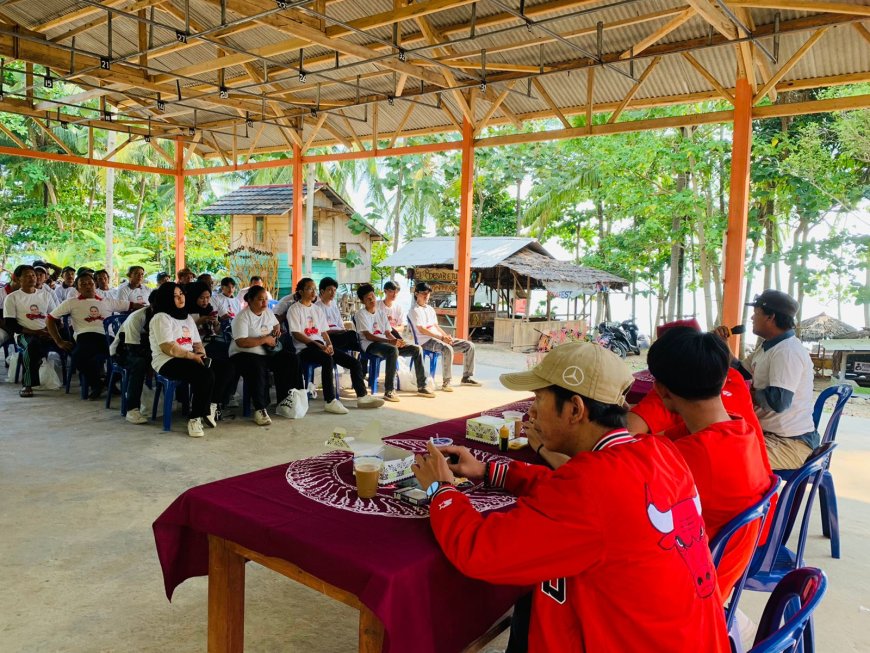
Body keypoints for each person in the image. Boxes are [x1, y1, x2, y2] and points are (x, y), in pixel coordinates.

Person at [411, 342, 729, 652]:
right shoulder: (657, 452)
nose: (530, 412)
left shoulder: (592, 485)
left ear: (575, 409)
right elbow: (572, 495)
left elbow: (480, 551)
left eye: (538, 399)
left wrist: (441, 489)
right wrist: (488, 470)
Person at [646, 326, 772, 596]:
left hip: (695, 591)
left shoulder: (687, 457)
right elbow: (656, 442)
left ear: (661, 390)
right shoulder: (740, 431)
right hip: (724, 573)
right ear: (725, 377)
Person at [718, 290, 816, 470]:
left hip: (790, 443)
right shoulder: (768, 347)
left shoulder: (786, 352)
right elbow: (742, 373)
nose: (752, 319)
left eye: (756, 314)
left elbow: (778, 401)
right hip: (769, 434)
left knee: (725, 460)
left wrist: (740, 392)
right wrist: (723, 346)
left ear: (771, 317)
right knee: (714, 446)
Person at [287, 277, 382, 414]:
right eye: (309, 288)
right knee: (327, 359)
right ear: (301, 292)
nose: (313, 291)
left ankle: (362, 397)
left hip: (321, 346)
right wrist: (319, 345)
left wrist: (329, 345)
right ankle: (330, 401)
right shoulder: (294, 309)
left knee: (354, 363)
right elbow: (296, 334)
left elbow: (324, 332)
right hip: (305, 348)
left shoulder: (316, 310)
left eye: (314, 288)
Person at [46, 272, 140, 400]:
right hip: (85, 336)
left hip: (106, 337)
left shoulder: (107, 301)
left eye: (90, 283)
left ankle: (108, 382)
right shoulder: (71, 302)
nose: (88, 286)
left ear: (95, 284)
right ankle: (97, 385)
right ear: (77, 288)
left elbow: (133, 305)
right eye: (83, 284)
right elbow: (50, 318)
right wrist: (59, 341)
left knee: (130, 356)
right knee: (78, 356)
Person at [148, 282, 219, 438]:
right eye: (175, 296)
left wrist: (201, 354)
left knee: (223, 367)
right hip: (167, 361)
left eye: (181, 294)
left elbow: (197, 342)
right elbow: (168, 347)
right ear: (166, 298)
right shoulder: (161, 317)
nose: (180, 298)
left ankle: (208, 407)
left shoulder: (186, 317)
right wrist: (193, 356)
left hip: (188, 356)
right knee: (203, 374)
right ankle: (195, 418)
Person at [230, 285, 302, 425]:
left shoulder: (268, 312)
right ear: (250, 300)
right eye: (260, 300)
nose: (264, 303)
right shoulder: (242, 317)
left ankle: (286, 400)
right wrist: (264, 339)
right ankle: (260, 408)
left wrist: (276, 332)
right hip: (243, 354)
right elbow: (241, 342)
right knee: (257, 367)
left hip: (266, 352)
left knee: (291, 359)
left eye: (265, 300)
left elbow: (276, 324)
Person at [354, 283, 435, 402]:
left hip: (385, 343)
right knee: (392, 350)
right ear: (362, 301)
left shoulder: (381, 313)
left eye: (373, 296)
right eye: (368, 298)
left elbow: (388, 332)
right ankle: (389, 390)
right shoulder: (360, 314)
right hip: (370, 345)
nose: (372, 300)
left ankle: (422, 386)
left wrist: (396, 341)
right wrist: (390, 342)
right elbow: (368, 336)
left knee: (417, 349)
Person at [408, 281, 480, 391]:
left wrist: (446, 337)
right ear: (417, 294)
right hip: (425, 341)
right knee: (447, 349)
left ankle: (467, 377)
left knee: (469, 345)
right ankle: (447, 382)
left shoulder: (430, 309)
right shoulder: (414, 310)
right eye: (423, 293)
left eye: (428, 293)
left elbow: (436, 326)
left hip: (438, 338)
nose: (426, 295)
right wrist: (442, 338)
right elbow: (422, 330)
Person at [3, 265, 59, 397]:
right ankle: (27, 385)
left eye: (33, 275)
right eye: (27, 275)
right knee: (32, 345)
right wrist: (36, 332)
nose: (32, 278)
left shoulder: (46, 295)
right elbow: (10, 324)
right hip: (24, 334)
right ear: (17, 278)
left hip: (46, 332)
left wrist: (49, 331)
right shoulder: (12, 298)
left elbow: (54, 316)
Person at [109, 294, 155, 425]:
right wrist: (152, 361)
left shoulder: (168, 316)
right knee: (139, 363)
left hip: (147, 350)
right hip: (123, 351)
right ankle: (132, 409)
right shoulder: (137, 317)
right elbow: (132, 348)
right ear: (152, 305)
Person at [317, 277, 359, 352]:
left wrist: (343, 330)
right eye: (330, 290)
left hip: (339, 335)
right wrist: (339, 331)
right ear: (322, 291)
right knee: (352, 336)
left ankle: (364, 353)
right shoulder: (317, 307)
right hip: (328, 337)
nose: (333, 293)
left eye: (334, 290)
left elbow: (340, 324)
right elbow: (320, 331)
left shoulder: (334, 305)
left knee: (357, 339)